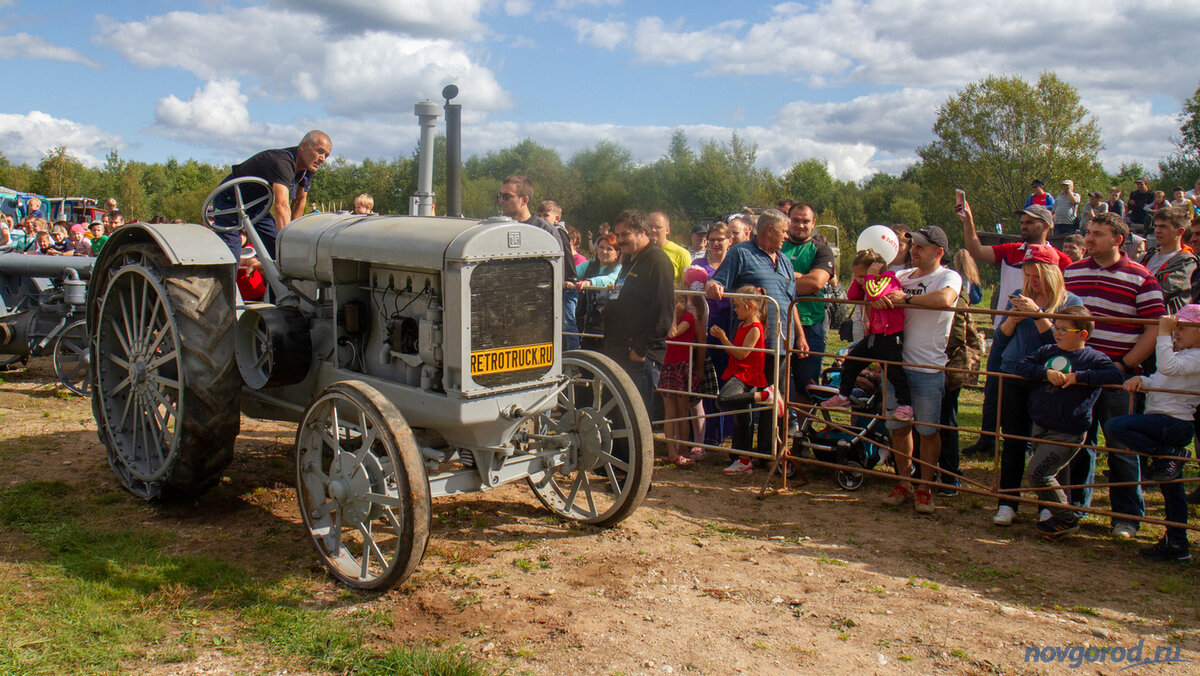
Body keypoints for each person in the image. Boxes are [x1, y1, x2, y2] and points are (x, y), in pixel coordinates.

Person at [1064, 212, 1166, 538]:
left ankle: (1127, 517)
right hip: (1077, 375)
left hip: (1118, 377)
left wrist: (1122, 366)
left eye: (1097, 234)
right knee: (1079, 442)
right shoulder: (1072, 272)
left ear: (1118, 240)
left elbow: (1153, 331)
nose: (1089, 238)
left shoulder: (1142, 278)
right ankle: (1075, 509)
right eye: (1088, 232)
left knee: (1121, 446)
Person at [960, 202, 1071, 457]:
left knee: (1033, 390)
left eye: (1030, 222)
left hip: (1042, 330)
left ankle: (1029, 445)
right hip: (1005, 326)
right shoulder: (1012, 250)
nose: (1024, 226)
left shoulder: (1060, 260)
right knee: (993, 387)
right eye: (1022, 221)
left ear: (1046, 225)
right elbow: (975, 249)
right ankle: (987, 439)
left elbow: (1065, 293)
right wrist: (968, 221)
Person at [990, 245, 1084, 526]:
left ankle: (1049, 505)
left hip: (1050, 379)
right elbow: (1001, 339)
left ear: (1052, 274)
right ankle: (1008, 502)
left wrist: (1038, 316)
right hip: (1015, 374)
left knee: (1050, 443)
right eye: (1027, 274)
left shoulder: (1071, 302)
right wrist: (1012, 320)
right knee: (1014, 440)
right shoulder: (1019, 298)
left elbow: (1063, 346)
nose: (1031, 280)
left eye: (1036, 275)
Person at [1015, 306, 1123, 539]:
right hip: (1041, 424)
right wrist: (1045, 373)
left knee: (1037, 473)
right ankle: (1057, 519)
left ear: (1083, 334)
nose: (1057, 332)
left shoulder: (1093, 358)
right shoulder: (1046, 351)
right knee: (1053, 472)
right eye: (1056, 327)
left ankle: (1067, 517)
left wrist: (1079, 378)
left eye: (1065, 329)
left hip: (1067, 431)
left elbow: (1115, 376)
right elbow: (1021, 365)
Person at [874, 226, 961, 515]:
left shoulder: (948, 276)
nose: (915, 249)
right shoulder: (898, 276)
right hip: (896, 366)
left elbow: (945, 300)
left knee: (928, 430)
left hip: (927, 367)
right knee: (898, 428)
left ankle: (925, 487)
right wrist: (872, 281)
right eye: (914, 244)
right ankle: (903, 482)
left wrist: (906, 299)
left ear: (939, 252)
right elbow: (871, 292)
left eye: (922, 246)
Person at [1105, 306, 1200, 562]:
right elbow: (1162, 378)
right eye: (1175, 326)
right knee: (1171, 488)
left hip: (1173, 423)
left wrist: (1163, 334)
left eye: (1183, 327)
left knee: (1117, 427)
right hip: (1164, 421)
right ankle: (1178, 542)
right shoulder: (1184, 355)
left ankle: (1171, 454)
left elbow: (1167, 367)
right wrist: (1143, 382)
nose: (1176, 331)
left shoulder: (1197, 357)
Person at [706, 209, 801, 465]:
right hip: (748, 346)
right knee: (742, 400)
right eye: (784, 231)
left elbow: (792, 302)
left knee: (775, 401)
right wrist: (714, 286)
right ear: (770, 229)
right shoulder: (741, 252)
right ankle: (742, 454)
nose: (786, 237)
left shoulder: (785, 261)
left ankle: (768, 454)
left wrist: (799, 336)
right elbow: (717, 281)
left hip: (780, 345)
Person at [821, 249, 912, 418]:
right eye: (856, 277)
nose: (860, 281)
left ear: (877, 270)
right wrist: (860, 280)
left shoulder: (889, 280)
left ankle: (906, 406)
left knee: (894, 372)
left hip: (890, 335)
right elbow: (852, 295)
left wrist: (869, 277)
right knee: (852, 361)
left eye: (861, 276)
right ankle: (843, 395)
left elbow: (873, 294)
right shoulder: (868, 282)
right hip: (874, 336)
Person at [212, 130, 332, 256]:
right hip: (229, 201)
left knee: (277, 249)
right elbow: (281, 205)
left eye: (326, 155)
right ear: (303, 146)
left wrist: (294, 238)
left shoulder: (307, 168)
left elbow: (299, 201)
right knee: (233, 251)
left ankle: (281, 272)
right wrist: (288, 244)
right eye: (319, 151)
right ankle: (226, 273)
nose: (322, 159)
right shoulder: (282, 162)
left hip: (256, 207)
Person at [603, 210, 674, 412]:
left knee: (636, 415)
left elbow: (663, 313)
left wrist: (640, 351)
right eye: (618, 235)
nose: (620, 240)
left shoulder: (657, 262)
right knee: (617, 413)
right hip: (618, 350)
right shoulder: (629, 259)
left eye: (625, 234)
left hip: (639, 356)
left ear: (642, 231)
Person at [497, 176, 578, 349]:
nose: (501, 200)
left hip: (535, 315)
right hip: (505, 312)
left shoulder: (544, 230)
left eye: (506, 196)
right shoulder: (498, 229)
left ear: (524, 200)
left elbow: (557, 274)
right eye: (500, 195)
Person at [711, 288, 781, 475]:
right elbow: (734, 351)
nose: (735, 310)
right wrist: (725, 340)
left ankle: (765, 395)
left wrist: (723, 338)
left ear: (750, 306)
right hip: (739, 371)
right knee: (743, 419)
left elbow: (742, 354)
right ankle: (744, 460)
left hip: (746, 374)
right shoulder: (743, 325)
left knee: (723, 400)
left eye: (738, 306)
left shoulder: (755, 328)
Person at [782, 203, 835, 401]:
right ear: (788, 221)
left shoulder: (821, 250)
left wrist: (779, 280)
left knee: (807, 384)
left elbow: (815, 283)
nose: (800, 225)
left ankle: (801, 430)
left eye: (805, 221)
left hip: (811, 323)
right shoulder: (776, 246)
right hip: (778, 323)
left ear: (814, 224)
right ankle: (782, 428)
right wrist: (799, 277)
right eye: (795, 220)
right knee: (777, 382)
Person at [693, 222, 735, 446]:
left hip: (728, 325)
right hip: (703, 326)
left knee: (726, 376)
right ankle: (705, 429)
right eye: (713, 239)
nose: (716, 243)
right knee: (704, 377)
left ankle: (726, 428)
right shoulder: (698, 265)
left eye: (721, 239)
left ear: (730, 240)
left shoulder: (735, 264)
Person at [661, 293, 707, 467]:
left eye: (675, 303)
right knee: (669, 413)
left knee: (682, 412)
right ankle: (672, 452)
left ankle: (684, 450)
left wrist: (673, 314)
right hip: (668, 366)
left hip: (682, 367)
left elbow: (673, 333)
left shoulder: (688, 317)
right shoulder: (667, 318)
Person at [1141, 206, 1198, 313]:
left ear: (1180, 231)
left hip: (1164, 321)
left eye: (1163, 227)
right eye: (1156, 226)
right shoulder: (1148, 256)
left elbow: (1162, 292)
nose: (1157, 231)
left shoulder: (1187, 262)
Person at [574, 233, 623, 351]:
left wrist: (589, 282)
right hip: (588, 322)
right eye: (601, 247)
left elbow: (611, 279)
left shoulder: (619, 269)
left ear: (617, 253)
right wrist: (568, 281)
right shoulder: (588, 265)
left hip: (608, 323)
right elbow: (572, 273)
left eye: (609, 249)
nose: (604, 251)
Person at [647, 211, 693, 285]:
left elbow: (689, 285)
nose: (653, 230)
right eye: (650, 226)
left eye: (658, 227)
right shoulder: (640, 251)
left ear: (667, 230)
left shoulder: (681, 253)